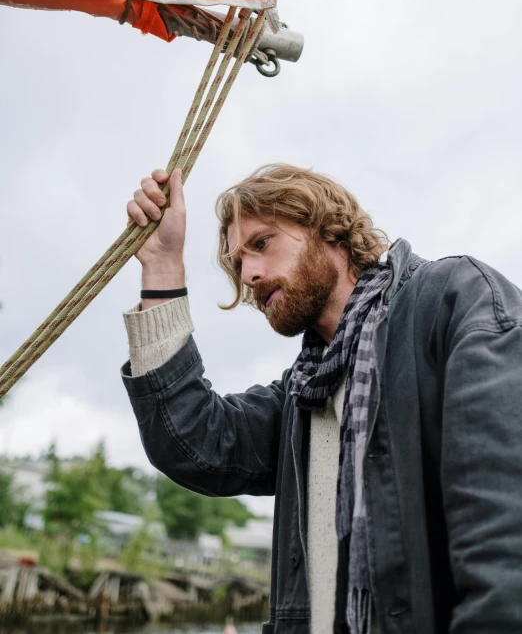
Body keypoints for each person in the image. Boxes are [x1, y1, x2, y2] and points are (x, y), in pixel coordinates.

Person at [121, 163, 522, 634]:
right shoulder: (302, 394)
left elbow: (506, 538)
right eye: (237, 262)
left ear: (325, 228)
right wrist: (163, 264)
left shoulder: (454, 301)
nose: (248, 273)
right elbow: (192, 439)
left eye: (262, 243)